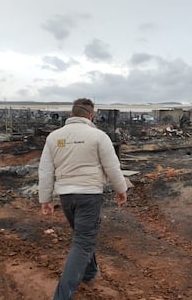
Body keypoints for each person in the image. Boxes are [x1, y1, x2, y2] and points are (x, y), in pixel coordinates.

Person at [38, 98, 129, 300]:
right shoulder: (98, 136)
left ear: (71, 114)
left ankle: (89, 272)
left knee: (83, 238)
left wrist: (46, 199)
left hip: (66, 197)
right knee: (82, 242)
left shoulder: (54, 137)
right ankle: (61, 296)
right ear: (91, 115)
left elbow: (45, 171)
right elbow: (112, 167)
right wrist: (121, 190)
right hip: (89, 195)